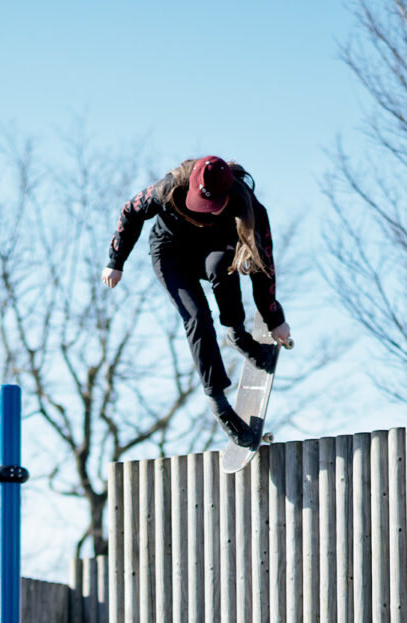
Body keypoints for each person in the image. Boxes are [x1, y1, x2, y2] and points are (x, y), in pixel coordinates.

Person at [102, 155, 292, 448]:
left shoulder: (248, 204)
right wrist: (116, 260)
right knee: (197, 317)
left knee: (223, 267)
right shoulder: (169, 186)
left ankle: (237, 334)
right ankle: (219, 405)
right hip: (169, 253)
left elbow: (263, 265)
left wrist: (273, 317)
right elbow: (130, 211)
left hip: (213, 250)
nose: (206, 211)